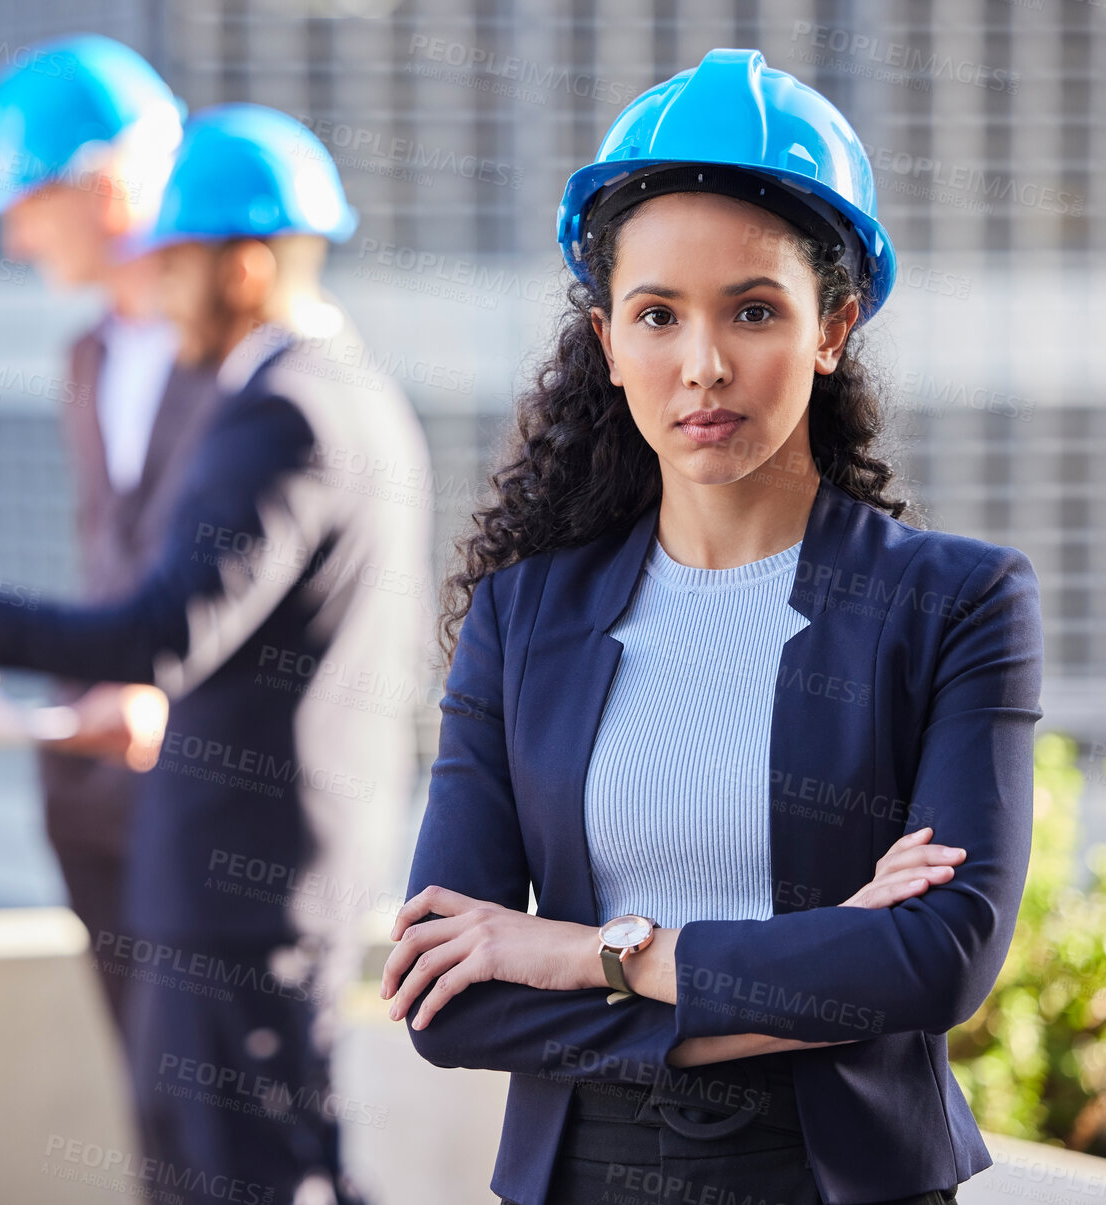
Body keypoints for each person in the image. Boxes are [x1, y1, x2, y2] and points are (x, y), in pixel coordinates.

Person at [380, 48, 1043, 1205]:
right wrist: (820, 967)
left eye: (752, 309)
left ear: (831, 328)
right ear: (606, 341)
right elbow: (450, 997)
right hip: (582, 1175)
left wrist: (578, 951)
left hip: (849, 1178)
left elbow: (934, 961)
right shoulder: (521, 617)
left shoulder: (958, 602)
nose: (702, 365)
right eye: (656, 314)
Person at [0, 103, 434, 1204]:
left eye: (173, 263)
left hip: (238, 881)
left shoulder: (279, 413)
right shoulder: (354, 395)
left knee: (233, 1173)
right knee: (283, 1159)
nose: (151, 290)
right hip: (276, 867)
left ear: (243, 266)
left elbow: (154, 631)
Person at [0, 32, 220, 1033]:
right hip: (97, 782)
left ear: (104, 182)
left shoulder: (247, 363)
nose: (17, 242)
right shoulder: (85, 356)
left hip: (209, 779)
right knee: (152, 1106)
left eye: (27, 205)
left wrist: (165, 689)